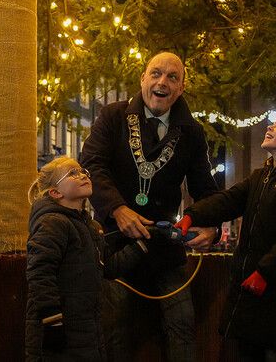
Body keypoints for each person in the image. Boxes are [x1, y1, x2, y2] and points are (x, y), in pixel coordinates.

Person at [79, 52, 219, 362]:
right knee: (113, 328)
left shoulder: (192, 133)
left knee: (183, 325)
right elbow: (91, 164)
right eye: (155, 73)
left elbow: (204, 189)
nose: (162, 82)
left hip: (164, 248)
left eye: (172, 77)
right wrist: (117, 208)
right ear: (143, 79)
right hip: (115, 246)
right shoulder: (112, 116)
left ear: (181, 88)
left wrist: (212, 226)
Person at [176, 113, 276, 361]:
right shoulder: (261, 177)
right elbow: (228, 201)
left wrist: (265, 272)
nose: (270, 126)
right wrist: (192, 216)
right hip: (250, 293)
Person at [25, 156, 150, 361]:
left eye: (83, 171)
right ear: (55, 192)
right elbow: (39, 273)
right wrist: (52, 321)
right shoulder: (52, 223)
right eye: (72, 173)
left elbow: (107, 267)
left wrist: (142, 245)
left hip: (86, 328)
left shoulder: (91, 227)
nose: (82, 175)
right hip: (59, 330)